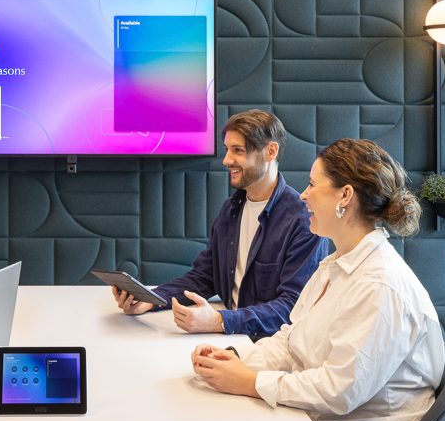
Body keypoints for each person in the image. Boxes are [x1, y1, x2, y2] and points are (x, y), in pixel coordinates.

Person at [189, 138, 445, 421]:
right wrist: (238, 362)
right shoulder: (336, 264)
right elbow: (291, 339)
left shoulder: (380, 286)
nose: (303, 195)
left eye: (312, 184)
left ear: (345, 196)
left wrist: (250, 382)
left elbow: (339, 392)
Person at [111, 110, 328, 338]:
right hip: (228, 336)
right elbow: (206, 276)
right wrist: (151, 300)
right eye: (227, 150)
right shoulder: (230, 210)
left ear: (270, 152)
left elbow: (292, 307)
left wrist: (219, 320)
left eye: (238, 151)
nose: (226, 160)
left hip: (268, 348)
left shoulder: (303, 221)